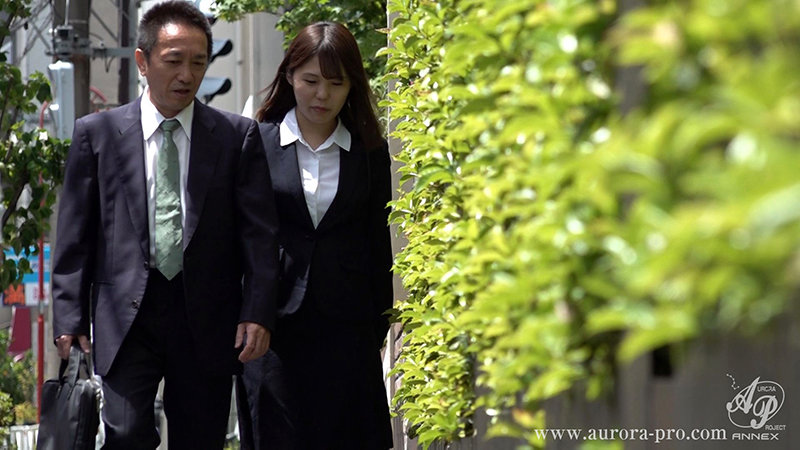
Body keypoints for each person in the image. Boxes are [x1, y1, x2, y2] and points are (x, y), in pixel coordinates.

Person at [51, 1, 280, 448]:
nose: (186, 75)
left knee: (201, 436)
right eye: (174, 61)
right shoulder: (97, 135)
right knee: (125, 432)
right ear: (143, 61)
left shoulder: (236, 137)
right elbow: (75, 236)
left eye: (198, 62)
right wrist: (69, 316)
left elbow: (259, 236)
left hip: (206, 316)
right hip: (125, 314)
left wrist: (257, 310)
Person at [236, 21, 394, 450]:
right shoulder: (256, 142)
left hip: (348, 327)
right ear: (289, 76)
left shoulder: (370, 153)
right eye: (310, 81)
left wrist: (379, 323)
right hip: (273, 328)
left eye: (336, 83)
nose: (322, 95)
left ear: (352, 86)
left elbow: (378, 243)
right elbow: (242, 235)